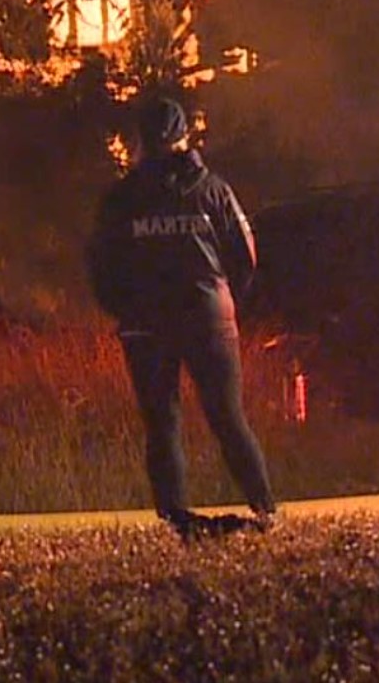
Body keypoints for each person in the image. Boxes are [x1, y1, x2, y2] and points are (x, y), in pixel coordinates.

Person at [86, 95, 278, 537]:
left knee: (162, 420)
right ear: (184, 136)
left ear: (141, 140)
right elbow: (245, 257)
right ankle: (265, 507)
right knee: (228, 415)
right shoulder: (214, 190)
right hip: (209, 319)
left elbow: (100, 264)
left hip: (146, 325)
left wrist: (124, 309)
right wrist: (225, 299)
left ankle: (175, 516)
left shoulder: (122, 198)